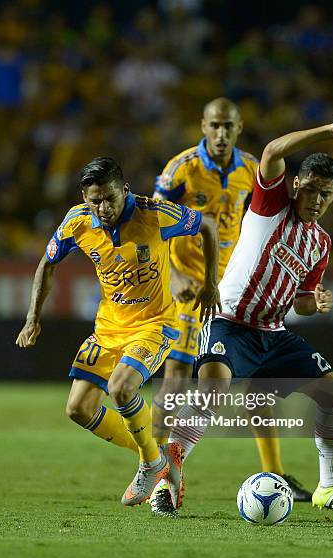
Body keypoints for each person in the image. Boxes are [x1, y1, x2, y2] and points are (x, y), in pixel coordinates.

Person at [168, 116, 333, 518]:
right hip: (229, 321)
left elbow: (302, 302)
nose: (316, 200)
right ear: (296, 186)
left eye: (325, 194)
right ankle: (166, 482)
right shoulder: (270, 204)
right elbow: (274, 151)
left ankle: (329, 487)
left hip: (273, 334)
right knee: (212, 390)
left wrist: (318, 302)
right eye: (310, 190)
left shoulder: (320, 244)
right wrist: (329, 132)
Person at [16, 156, 220, 509]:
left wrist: (210, 283)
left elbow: (209, 226)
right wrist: (33, 317)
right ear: (84, 196)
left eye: (110, 198)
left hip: (155, 323)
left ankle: (151, 463)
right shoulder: (78, 221)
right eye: (95, 200)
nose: (103, 207)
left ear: (125, 190)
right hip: (109, 327)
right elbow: (46, 264)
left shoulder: (155, 214)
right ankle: (161, 458)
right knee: (78, 409)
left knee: (121, 388)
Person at [151, 97, 311, 517]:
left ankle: (274, 472)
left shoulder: (250, 169)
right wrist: (173, 275)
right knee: (178, 378)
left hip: (233, 288)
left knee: (257, 384)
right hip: (189, 286)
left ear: (239, 129)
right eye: (214, 126)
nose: (221, 134)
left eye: (229, 127)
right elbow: (151, 224)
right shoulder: (179, 169)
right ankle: (154, 473)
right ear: (203, 126)